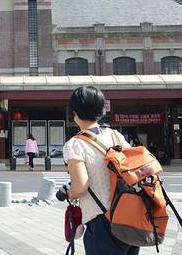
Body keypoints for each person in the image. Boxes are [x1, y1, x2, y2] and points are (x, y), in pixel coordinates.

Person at [63, 86, 138, 255]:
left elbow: (80, 188)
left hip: (102, 222)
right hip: (130, 218)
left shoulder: (75, 144)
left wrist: (66, 193)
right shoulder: (115, 135)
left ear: (74, 112)